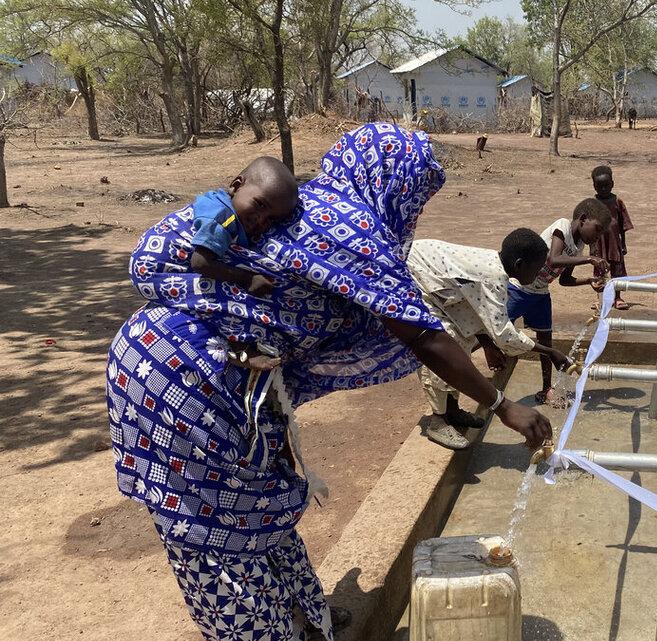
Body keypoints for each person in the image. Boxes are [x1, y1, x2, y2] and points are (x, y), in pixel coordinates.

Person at [107, 123, 551, 641]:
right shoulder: (345, 228)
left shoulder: (308, 208)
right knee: (218, 531)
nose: (411, 213)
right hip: (184, 380)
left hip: (215, 373)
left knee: (261, 498)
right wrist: (502, 405)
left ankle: (306, 617)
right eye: (413, 198)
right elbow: (422, 337)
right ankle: (263, 631)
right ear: (393, 184)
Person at [408, 230, 573, 449]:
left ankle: (452, 410)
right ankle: (438, 420)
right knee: (443, 344)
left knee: (462, 341)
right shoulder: (494, 278)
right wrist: (549, 351)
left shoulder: (493, 267)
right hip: (414, 277)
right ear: (519, 265)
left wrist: (486, 343)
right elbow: (505, 334)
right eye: (537, 269)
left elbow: (472, 309)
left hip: (435, 281)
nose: (539, 275)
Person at [508, 199, 611, 405]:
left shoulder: (578, 246)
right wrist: (590, 260)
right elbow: (554, 259)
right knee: (493, 328)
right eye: (597, 229)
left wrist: (588, 281)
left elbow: (564, 280)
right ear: (583, 219)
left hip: (540, 292)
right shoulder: (562, 226)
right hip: (519, 287)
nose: (597, 237)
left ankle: (546, 389)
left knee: (546, 340)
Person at [187, 157, 298, 297]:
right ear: (236, 186)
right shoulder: (224, 218)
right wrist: (248, 279)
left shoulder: (227, 207)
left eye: (271, 219)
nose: (261, 220)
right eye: (260, 204)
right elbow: (200, 262)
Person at [590, 165, 634, 311]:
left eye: (606, 185)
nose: (603, 189)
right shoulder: (592, 203)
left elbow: (622, 224)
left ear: (612, 184)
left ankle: (617, 297)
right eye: (599, 186)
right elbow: (588, 226)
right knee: (599, 270)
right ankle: (600, 298)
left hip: (615, 242)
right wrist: (591, 246)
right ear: (594, 186)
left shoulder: (617, 201)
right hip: (599, 242)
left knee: (617, 269)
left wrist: (624, 244)